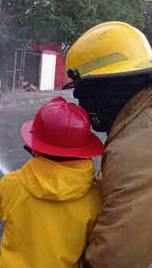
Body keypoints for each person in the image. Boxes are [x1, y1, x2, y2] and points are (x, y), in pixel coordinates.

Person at [62, 21, 152, 268]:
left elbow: (115, 258)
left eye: (82, 92)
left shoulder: (138, 145)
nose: (80, 102)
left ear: (107, 86)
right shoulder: (139, 122)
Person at [0, 97, 104, 268]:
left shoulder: (9, 184)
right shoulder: (97, 199)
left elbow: (10, 223)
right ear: (83, 150)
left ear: (33, 147)